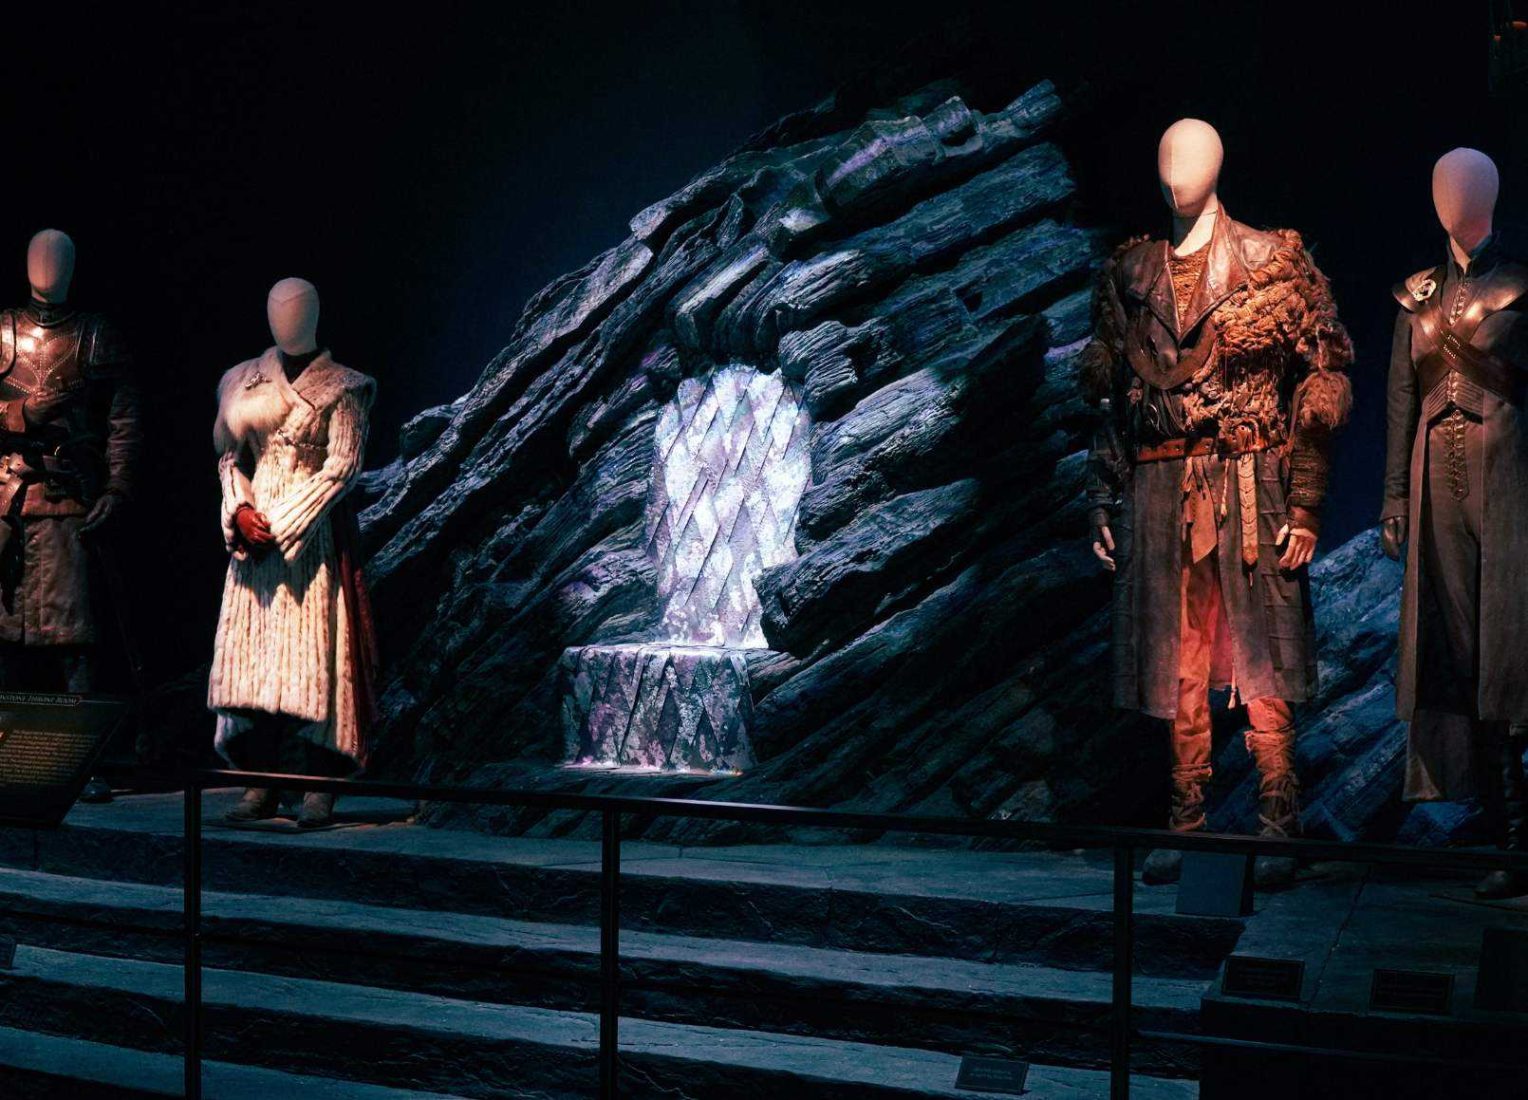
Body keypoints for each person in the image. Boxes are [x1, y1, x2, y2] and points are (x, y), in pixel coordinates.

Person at [1082, 120, 1352, 886]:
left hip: (1248, 477)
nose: (1178, 171)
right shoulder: (1132, 273)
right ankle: (1186, 817)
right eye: (1167, 156)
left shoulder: (1270, 262)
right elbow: (1112, 397)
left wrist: (1305, 502)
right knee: (1181, 653)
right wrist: (1102, 495)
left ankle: (1278, 815)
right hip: (1160, 484)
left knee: (1261, 645)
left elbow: (1321, 380)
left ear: (1219, 164)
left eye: (1191, 156)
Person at [208, 277, 378, 828]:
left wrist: (281, 525)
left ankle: (318, 786)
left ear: (315, 314)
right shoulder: (242, 381)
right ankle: (261, 782)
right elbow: (231, 458)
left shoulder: (345, 387)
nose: (287, 318)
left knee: (314, 661)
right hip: (252, 543)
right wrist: (239, 511)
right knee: (252, 661)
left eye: (298, 310)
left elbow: (343, 466)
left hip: (310, 537)